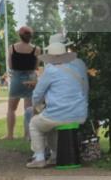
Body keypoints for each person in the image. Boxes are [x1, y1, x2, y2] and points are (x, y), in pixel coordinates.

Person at [26, 35, 89, 168]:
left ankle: (39, 158)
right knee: (50, 126)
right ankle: (55, 156)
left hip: (60, 113)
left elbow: (37, 93)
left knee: (35, 124)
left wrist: (36, 106)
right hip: (80, 113)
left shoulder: (50, 70)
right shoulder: (76, 66)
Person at [5, 26, 40, 140]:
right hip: (31, 78)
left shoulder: (12, 48)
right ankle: (27, 135)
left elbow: (10, 65)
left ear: (20, 35)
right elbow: (36, 66)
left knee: (11, 108)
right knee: (29, 109)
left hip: (16, 78)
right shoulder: (37, 49)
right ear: (31, 36)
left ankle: (10, 135)